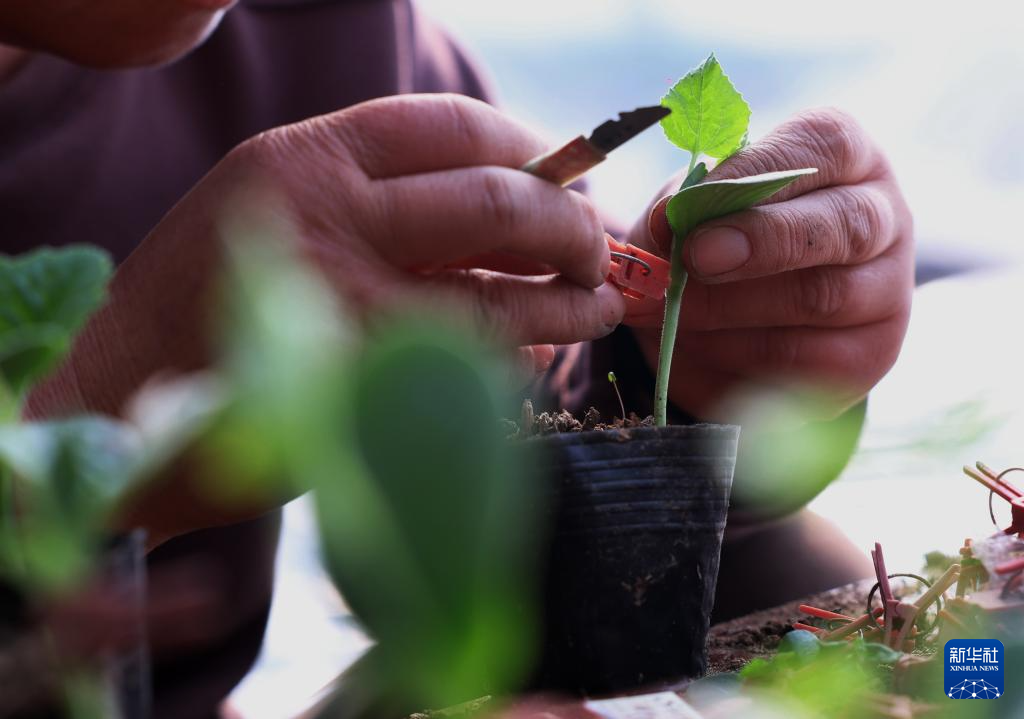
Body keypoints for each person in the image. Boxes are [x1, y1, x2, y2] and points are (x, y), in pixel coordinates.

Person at [0, 0, 913, 715]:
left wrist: (692, 373)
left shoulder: (334, 36)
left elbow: (540, 411)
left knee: (791, 577)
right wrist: (91, 396)